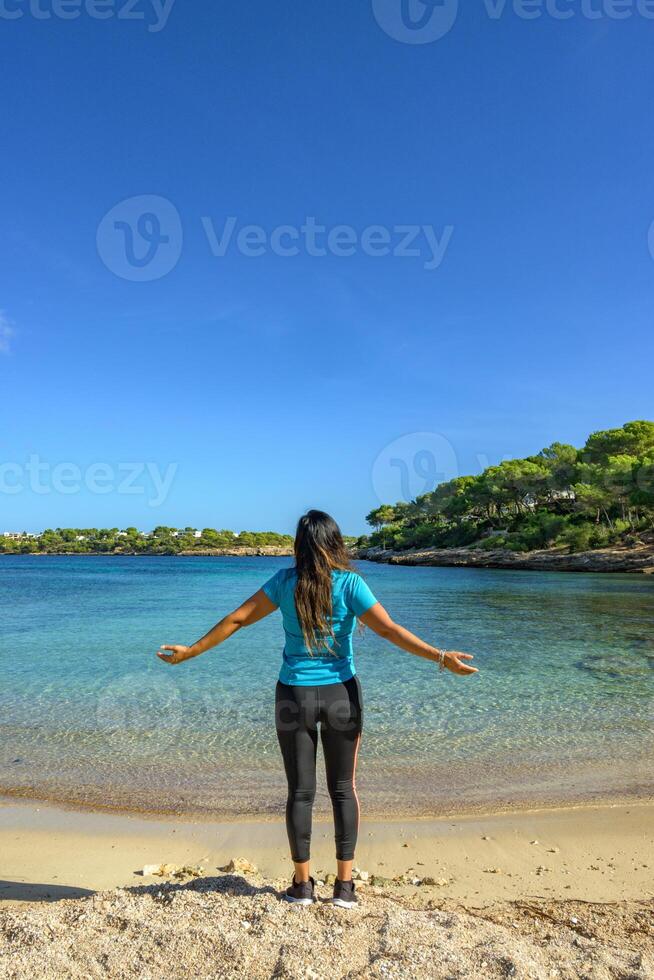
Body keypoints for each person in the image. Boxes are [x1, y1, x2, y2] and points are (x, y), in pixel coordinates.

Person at [157, 509, 477, 908]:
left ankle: (303, 885)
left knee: (300, 791)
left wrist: (190, 652)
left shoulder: (284, 583)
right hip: (342, 695)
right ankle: (344, 888)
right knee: (343, 789)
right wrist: (440, 657)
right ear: (334, 542)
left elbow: (237, 619)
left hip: (294, 696)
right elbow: (389, 630)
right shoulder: (350, 584)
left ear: (300, 545)